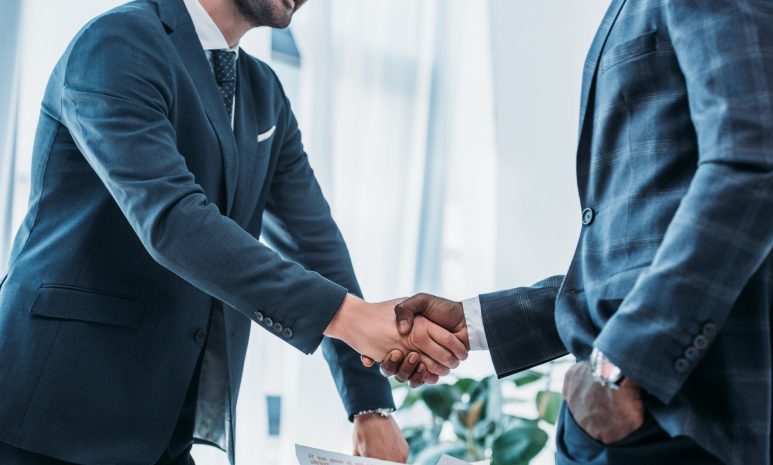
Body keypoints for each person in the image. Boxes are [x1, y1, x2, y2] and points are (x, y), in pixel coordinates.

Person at [0, 0, 467, 464]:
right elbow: (174, 221)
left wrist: (370, 405)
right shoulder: (118, 43)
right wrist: (353, 319)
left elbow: (314, 245)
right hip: (46, 413)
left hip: (164, 426)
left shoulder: (263, 91)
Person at [372, 1, 773, 464]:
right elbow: (634, 261)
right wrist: (474, 322)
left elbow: (759, 163)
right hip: (636, 417)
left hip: (687, 421)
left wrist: (616, 367)